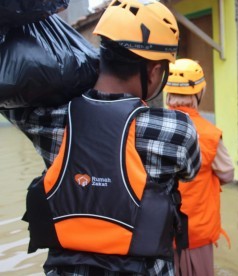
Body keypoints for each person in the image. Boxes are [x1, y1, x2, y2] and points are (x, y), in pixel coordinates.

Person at [1, 1, 201, 275]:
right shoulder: (178, 130)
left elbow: (15, 95)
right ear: (154, 72)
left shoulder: (47, 119)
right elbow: (191, 171)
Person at [164, 59, 234, 276]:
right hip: (197, 229)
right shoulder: (210, 133)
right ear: (199, 94)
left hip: (158, 228)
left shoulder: (152, 125)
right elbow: (227, 173)